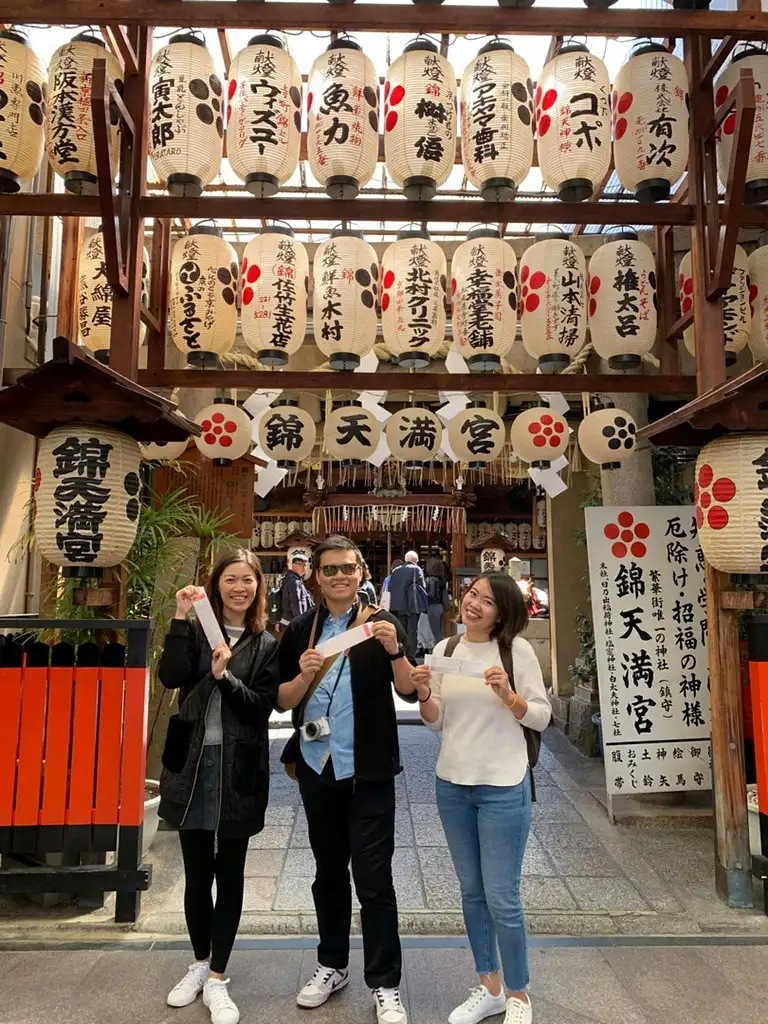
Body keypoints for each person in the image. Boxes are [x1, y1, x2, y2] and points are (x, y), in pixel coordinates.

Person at [277, 535, 418, 1024]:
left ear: (361, 573)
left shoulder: (381, 623)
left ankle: (385, 983)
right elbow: (283, 699)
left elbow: (408, 689)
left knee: (375, 880)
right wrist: (301, 673)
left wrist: (396, 650)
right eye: (329, 569)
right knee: (328, 874)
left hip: (369, 771)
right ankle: (331, 964)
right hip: (319, 768)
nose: (338, 576)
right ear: (316, 576)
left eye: (347, 568)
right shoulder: (300, 629)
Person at [411, 573, 551, 1024]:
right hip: (452, 782)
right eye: (472, 595)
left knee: (502, 896)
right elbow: (436, 722)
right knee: (472, 893)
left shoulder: (517, 652)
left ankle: (519, 994)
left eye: (487, 601)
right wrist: (425, 693)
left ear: (502, 613)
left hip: (503, 785)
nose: (474, 605)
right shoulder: (445, 651)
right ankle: (488, 985)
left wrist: (509, 696)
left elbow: (542, 717)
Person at [158, 550, 280, 1024]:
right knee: (196, 874)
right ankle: (199, 962)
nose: (239, 588)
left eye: (247, 580)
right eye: (230, 579)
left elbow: (262, 708)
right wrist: (177, 616)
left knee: (229, 872)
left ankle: (218, 978)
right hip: (191, 764)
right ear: (216, 584)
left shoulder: (266, 644)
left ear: (257, 588)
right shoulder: (192, 630)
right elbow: (169, 676)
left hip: (239, 768)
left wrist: (225, 677)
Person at [387, 550, 427, 655]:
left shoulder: (396, 570)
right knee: (412, 632)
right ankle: (411, 655)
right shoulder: (417, 570)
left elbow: (391, 588)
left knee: (401, 632)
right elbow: (422, 588)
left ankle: (401, 653)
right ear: (415, 561)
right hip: (412, 606)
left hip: (397, 607)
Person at [280, 551, 314, 630]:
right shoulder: (294, 582)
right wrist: (300, 623)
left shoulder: (292, 578)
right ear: (294, 565)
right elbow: (296, 603)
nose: (305, 568)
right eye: (303, 565)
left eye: (305, 565)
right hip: (292, 623)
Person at [424, 556, 448, 650]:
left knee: (434, 632)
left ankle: (440, 650)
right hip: (440, 606)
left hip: (432, 607)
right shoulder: (442, 579)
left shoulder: (431, 580)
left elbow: (430, 595)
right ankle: (442, 648)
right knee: (439, 630)